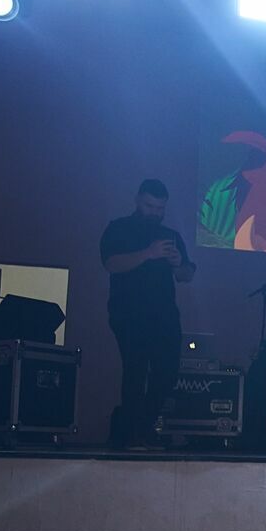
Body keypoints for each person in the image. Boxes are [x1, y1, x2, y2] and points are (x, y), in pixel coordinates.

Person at [100, 179, 193, 449]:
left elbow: (186, 275)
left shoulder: (170, 234)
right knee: (135, 371)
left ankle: (143, 426)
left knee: (167, 372)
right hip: (128, 313)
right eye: (150, 206)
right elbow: (111, 263)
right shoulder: (119, 229)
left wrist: (178, 264)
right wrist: (148, 253)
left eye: (160, 208)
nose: (155, 212)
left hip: (164, 314)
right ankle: (132, 432)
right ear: (138, 200)